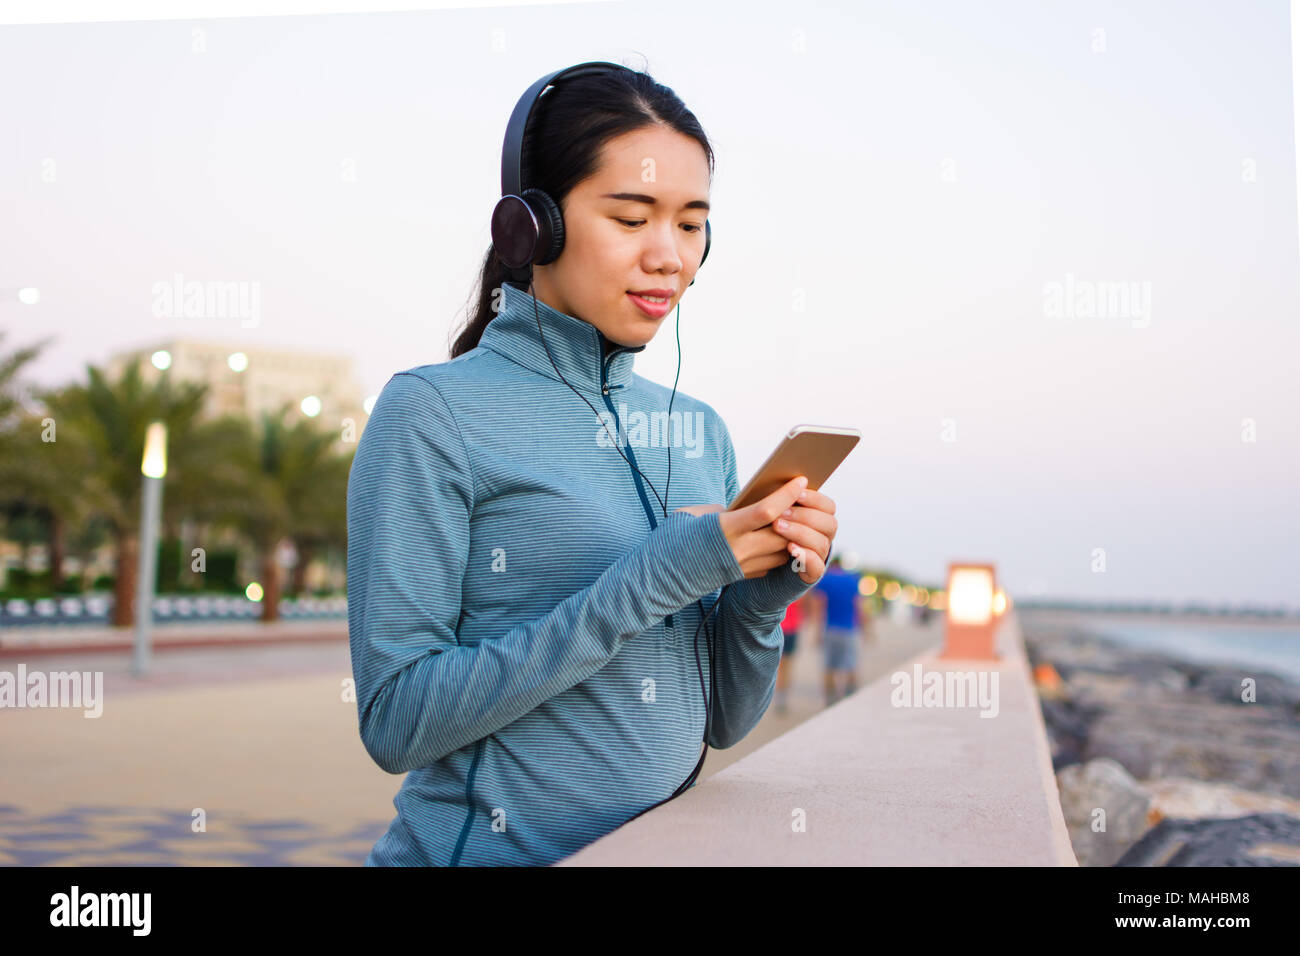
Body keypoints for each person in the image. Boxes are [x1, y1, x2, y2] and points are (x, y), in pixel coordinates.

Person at [346, 63, 841, 867]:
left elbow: (719, 722)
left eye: (690, 224)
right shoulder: (432, 414)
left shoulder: (700, 432)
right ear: (532, 227)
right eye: (632, 217)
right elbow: (397, 723)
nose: (669, 257)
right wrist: (648, 580)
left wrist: (758, 602)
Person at [810, 554, 867, 707]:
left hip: (830, 629)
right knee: (850, 665)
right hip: (849, 629)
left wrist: (817, 632)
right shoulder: (852, 580)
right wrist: (866, 630)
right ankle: (850, 697)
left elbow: (819, 607)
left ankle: (830, 700)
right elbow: (859, 606)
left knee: (829, 666)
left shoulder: (825, 580)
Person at [774, 593, 810, 714]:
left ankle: (778, 697)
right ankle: (782, 698)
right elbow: (805, 607)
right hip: (792, 629)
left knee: (778, 667)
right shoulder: (799, 589)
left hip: (779, 627)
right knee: (787, 667)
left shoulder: (779, 587)